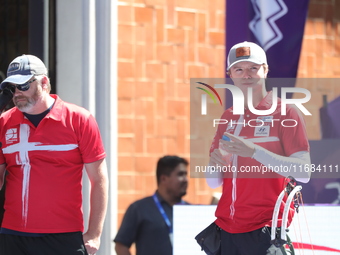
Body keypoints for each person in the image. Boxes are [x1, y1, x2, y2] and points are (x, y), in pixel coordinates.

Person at [207, 41, 311, 254]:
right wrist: (214, 164)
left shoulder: (286, 113)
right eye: (239, 69)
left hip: (266, 230)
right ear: (230, 74)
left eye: (253, 68)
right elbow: (213, 182)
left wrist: (254, 152)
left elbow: (304, 172)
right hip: (227, 230)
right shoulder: (228, 116)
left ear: (265, 70)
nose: (246, 75)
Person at [0, 54, 108, 255]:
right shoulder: (4, 123)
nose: (17, 92)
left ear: (44, 82)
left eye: (23, 85)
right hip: (13, 236)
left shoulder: (79, 120)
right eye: (13, 87)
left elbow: (99, 180)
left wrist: (94, 233)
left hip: (64, 237)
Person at [114, 155, 189, 255]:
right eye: (180, 175)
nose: (185, 180)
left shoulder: (191, 211)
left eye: (186, 174)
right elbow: (121, 245)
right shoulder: (139, 209)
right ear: (163, 179)